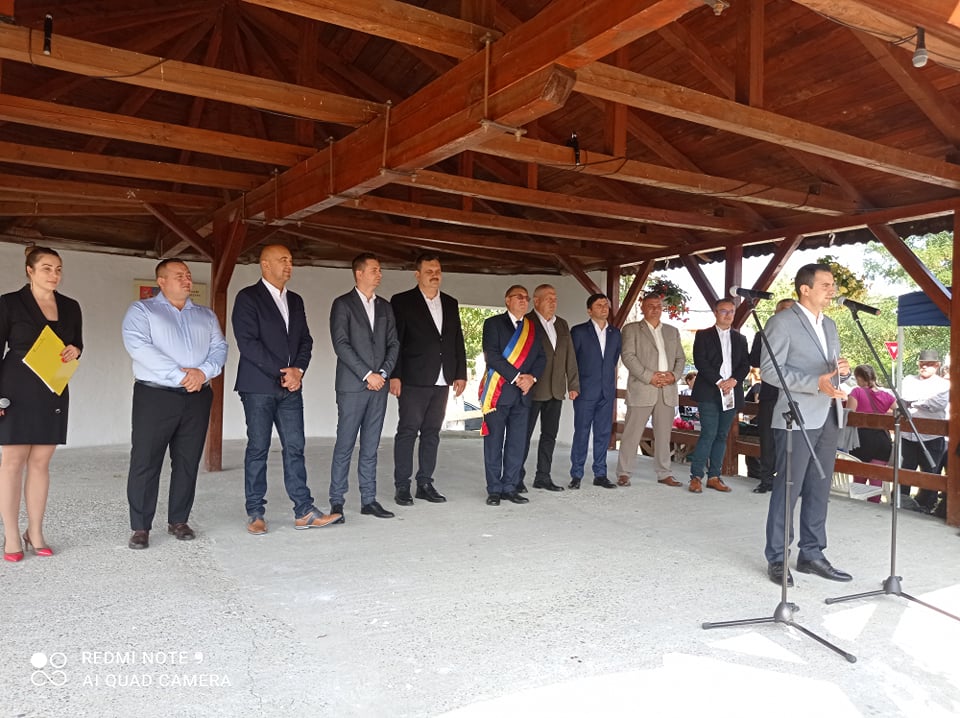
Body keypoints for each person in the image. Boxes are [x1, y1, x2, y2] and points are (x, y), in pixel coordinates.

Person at [233, 245, 339, 535]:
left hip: (291, 386)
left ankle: (304, 511)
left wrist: (298, 371)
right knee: (258, 448)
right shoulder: (248, 297)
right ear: (265, 265)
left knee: (295, 447)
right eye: (283, 260)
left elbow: (306, 340)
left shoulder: (295, 300)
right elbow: (248, 343)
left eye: (291, 260)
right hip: (258, 387)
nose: (289, 265)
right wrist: (284, 372)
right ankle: (256, 513)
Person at [122, 259, 228, 550]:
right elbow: (139, 347)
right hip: (155, 396)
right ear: (161, 281)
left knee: (187, 461)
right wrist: (181, 376)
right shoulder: (142, 311)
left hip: (197, 396)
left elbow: (220, 347)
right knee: (146, 460)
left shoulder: (205, 315)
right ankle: (140, 526)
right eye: (179, 275)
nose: (186, 280)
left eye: (188, 275)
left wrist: (203, 373)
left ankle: (179, 520)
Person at [760, 263, 852, 586]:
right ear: (805, 288)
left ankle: (811, 553)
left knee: (819, 488)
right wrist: (815, 383)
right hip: (796, 417)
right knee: (789, 488)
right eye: (826, 285)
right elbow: (769, 370)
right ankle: (777, 557)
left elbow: (830, 373)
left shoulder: (830, 325)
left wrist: (842, 373)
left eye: (833, 285)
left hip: (829, 414)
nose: (832, 290)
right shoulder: (782, 322)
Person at [0, 247, 82, 561]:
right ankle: (11, 533)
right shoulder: (9, 303)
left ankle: (34, 531)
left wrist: (75, 350)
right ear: (30, 270)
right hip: (14, 388)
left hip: (53, 387)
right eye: (46, 268)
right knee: (12, 463)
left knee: (40, 463)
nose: (54, 274)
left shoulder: (71, 306)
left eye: (58, 269)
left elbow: (77, 344)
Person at [389, 253, 466, 506]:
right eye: (429, 271)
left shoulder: (451, 302)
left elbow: (457, 339)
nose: (435, 275)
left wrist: (460, 373)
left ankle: (425, 483)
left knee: (432, 432)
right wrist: (395, 375)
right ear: (417, 274)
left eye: (438, 271)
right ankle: (402, 485)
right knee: (408, 431)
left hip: (443, 378)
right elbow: (395, 342)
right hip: (413, 378)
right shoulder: (402, 301)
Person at [329, 253, 399, 520]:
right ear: (359, 273)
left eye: (380, 270)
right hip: (353, 386)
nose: (379, 274)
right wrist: (368, 374)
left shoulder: (385, 307)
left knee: (371, 446)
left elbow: (393, 343)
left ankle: (368, 500)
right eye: (374, 270)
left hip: (379, 385)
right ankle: (337, 501)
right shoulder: (342, 304)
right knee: (345, 444)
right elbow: (341, 344)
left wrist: (383, 373)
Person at [479, 285, 545, 505]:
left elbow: (541, 358)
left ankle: (510, 487)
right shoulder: (493, 324)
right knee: (494, 443)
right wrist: (517, 377)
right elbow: (492, 356)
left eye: (526, 298)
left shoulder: (532, 327)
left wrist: (531, 378)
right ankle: (494, 490)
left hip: (523, 396)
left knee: (517, 444)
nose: (524, 301)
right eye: (519, 297)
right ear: (507, 300)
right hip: (498, 394)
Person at [616, 293, 686, 488]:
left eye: (658, 305)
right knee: (632, 434)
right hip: (643, 387)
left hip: (667, 389)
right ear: (642, 307)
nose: (655, 309)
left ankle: (664, 473)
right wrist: (649, 376)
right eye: (650, 306)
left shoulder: (672, 331)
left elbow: (680, 358)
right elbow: (628, 356)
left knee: (664, 435)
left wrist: (673, 376)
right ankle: (624, 473)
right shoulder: (631, 329)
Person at [520, 284, 579, 492]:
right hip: (532, 390)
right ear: (536, 301)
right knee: (523, 436)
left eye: (555, 298)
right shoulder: (526, 322)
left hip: (556, 389)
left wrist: (573, 384)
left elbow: (570, 356)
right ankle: (516, 477)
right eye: (548, 298)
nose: (553, 302)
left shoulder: (561, 324)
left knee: (549, 436)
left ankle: (543, 477)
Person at [686, 298, 750, 494]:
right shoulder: (703, 335)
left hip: (731, 392)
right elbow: (700, 361)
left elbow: (745, 365)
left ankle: (714, 476)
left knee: (722, 435)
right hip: (709, 391)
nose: (728, 315)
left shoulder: (740, 339)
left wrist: (733, 381)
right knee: (708, 433)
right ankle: (696, 476)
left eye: (731, 311)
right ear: (715, 313)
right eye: (724, 311)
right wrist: (719, 381)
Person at [569, 293, 621, 489]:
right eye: (599, 305)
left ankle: (600, 474)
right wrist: (573, 386)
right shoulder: (579, 331)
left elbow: (613, 360)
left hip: (606, 391)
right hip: (584, 391)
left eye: (606, 305)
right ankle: (576, 474)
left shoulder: (615, 333)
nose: (604, 308)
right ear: (589, 310)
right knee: (581, 433)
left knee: (603, 433)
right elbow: (572, 361)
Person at [748, 298, 795, 494]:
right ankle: (766, 480)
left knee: (792, 439)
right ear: (776, 313)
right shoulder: (763, 334)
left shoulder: (802, 335)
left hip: (794, 394)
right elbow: (754, 360)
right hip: (770, 393)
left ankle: (791, 480)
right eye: (783, 310)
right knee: (767, 438)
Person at [900, 349, 949, 511]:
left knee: (930, 471)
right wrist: (923, 400)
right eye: (922, 363)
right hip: (908, 435)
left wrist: (914, 402)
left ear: (937, 365)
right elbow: (902, 397)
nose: (924, 367)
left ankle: (927, 505)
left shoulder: (943, 384)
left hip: (931, 436)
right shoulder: (909, 380)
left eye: (929, 364)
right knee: (906, 469)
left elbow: (937, 404)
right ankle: (902, 501)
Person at [846, 364, 895, 503]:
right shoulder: (886, 395)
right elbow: (898, 411)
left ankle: (859, 507)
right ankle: (875, 506)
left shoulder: (856, 392)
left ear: (859, 378)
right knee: (876, 479)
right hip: (882, 439)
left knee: (859, 479)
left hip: (862, 438)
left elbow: (850, 415)